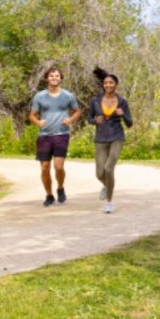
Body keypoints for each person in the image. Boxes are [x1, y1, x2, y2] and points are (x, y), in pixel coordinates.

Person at [29, 67, 82, 207]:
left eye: (56, 75)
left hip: (62, 134)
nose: (54, 77)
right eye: (51, 75)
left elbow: (77, 111)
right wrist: (38, 122)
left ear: (60, 78)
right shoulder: (39, 96)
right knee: (45, 167)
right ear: (47, 78)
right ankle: (49, 195)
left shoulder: (68, 95)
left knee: (58, 167)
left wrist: (70, 120)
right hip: (44, 136)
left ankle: (60, 188)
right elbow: (32, 115)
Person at [88, 66, 133, 214]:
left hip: (116, 137)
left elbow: (129, 123)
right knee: (99, 173)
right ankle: (108, 186)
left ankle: (109, 202)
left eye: (111, 83)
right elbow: (89, 119)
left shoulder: (122, 102)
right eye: (106, 83)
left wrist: (122, 114)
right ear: (103, 84)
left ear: (116, 85)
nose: (108, 85)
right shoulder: (95, 100)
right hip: (101, 138)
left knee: (108, 168)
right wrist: (96, 120)